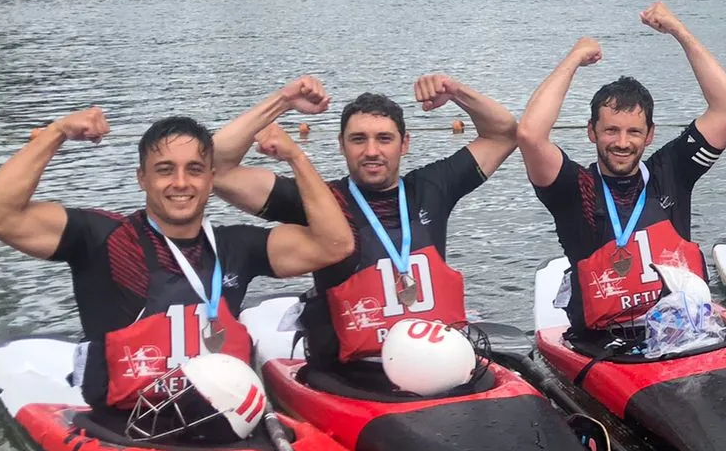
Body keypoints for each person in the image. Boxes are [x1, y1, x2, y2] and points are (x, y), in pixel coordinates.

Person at [0, 106, 352, 425]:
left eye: (194, 170)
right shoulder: (103, 238)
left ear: (211, 179)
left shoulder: (237, 246)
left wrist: (297, 158)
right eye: (165, 169)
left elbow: (335, 243)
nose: (180, 183)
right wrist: (57, 132)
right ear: (142, 179)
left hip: (224, 419)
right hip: (126, 428)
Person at [212, 72, 521, 382]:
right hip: (351, 378)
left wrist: (456, 91)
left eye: (384, 138)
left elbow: (503, 134)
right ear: (341, 146)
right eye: (358, 139)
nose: (371, 151)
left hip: (438, 367)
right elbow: (217, 169)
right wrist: (283, 101)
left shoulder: (432, 187)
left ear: (405, 144)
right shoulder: (318, 200)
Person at [518, 2, 726, 339]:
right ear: (591, 132)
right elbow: (530, 134)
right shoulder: (572, 188)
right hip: (603, 346)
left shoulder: (671, 173)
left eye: (634, 132)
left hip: (682, 333)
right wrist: (573, 60)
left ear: (650, 135)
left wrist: (679, 31)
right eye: (611, 131)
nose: (622, 143)